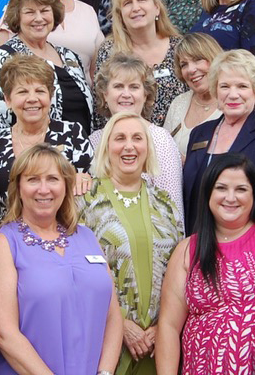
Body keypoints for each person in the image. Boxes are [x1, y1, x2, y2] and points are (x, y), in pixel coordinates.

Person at [0, 144, 122, 375]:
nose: (43, 189)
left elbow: (113, 316)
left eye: (53, 179)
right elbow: (4, 334)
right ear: (18, 188)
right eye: (33, 179)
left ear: (66, 186)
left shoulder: (87, 237)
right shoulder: (3, 245)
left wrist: (105, 372)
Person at [156, 152, 255, 374]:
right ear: (208, 193)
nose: (231, 197)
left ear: (254, 194)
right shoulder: (187, 250)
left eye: (241, 189)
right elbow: (169, 327)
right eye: (221, 188)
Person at [77, 112, 183, 375]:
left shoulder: (165, 204)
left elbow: (180, 272)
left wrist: (163, 326)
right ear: (106, 148)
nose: (129, 146)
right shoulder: (85, 200)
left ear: (147, 148)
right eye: (119, 138)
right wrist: (121, 325)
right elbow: (76, 274)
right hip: (105, 342)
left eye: (137, 138)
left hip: (158, 345)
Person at [0, 55, 93, 237]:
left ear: (50, 96)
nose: (32, 99)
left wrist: (86, 179)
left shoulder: (73, 134)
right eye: (22, 92)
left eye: (40, 91)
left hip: (65, 237)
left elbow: (95, 187)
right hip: (7, 241)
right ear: (8, 100)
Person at [183, 49, 255, 236]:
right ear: (215, 90)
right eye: (225, 86)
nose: (233, 94)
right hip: (201, 242)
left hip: (252, 245)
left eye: (242, 86)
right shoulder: (199, 134)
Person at [0, 0, 93, 139]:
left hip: (80, 151)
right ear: (17, 16)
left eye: (44, 10)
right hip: (32, 154)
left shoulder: (69, 56)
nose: (39, 18)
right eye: (30, 12)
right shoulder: (2, 59)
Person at [92, 52, 184, 220]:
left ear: (145, 94)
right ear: (105, 94)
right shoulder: (93, 141)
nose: (126, 94)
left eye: (134, 87)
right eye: (118, 86)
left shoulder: (159, 139)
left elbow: (173, 208)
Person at [95, 0, 186, 128]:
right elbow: (101, 107)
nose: (136, 8)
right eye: (127, 3)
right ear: (120, 15)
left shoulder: (179, 48)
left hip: (176, 138)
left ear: (157, 7)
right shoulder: (109, 51)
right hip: (126, 138)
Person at [164, 33, 224, 159]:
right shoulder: (179, 103)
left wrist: (189, 164)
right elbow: (163, 151)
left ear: (214, 58)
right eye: (184, 65)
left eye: (197, 59)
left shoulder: (237, 99)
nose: (191, 70)